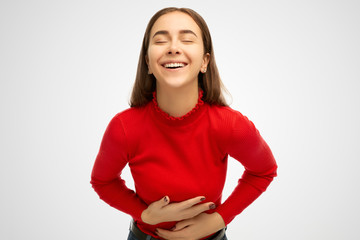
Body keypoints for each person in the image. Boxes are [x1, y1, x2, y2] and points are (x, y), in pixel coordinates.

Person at [90, 7, 277, 240]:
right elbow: (103, 181)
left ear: (204, 61)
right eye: (161, 40)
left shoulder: (230, 125)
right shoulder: (124, 127)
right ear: (148, 62)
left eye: (187, 39)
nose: (173, 48)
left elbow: (264, 171)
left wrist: (220, 219)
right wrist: (144, 215)